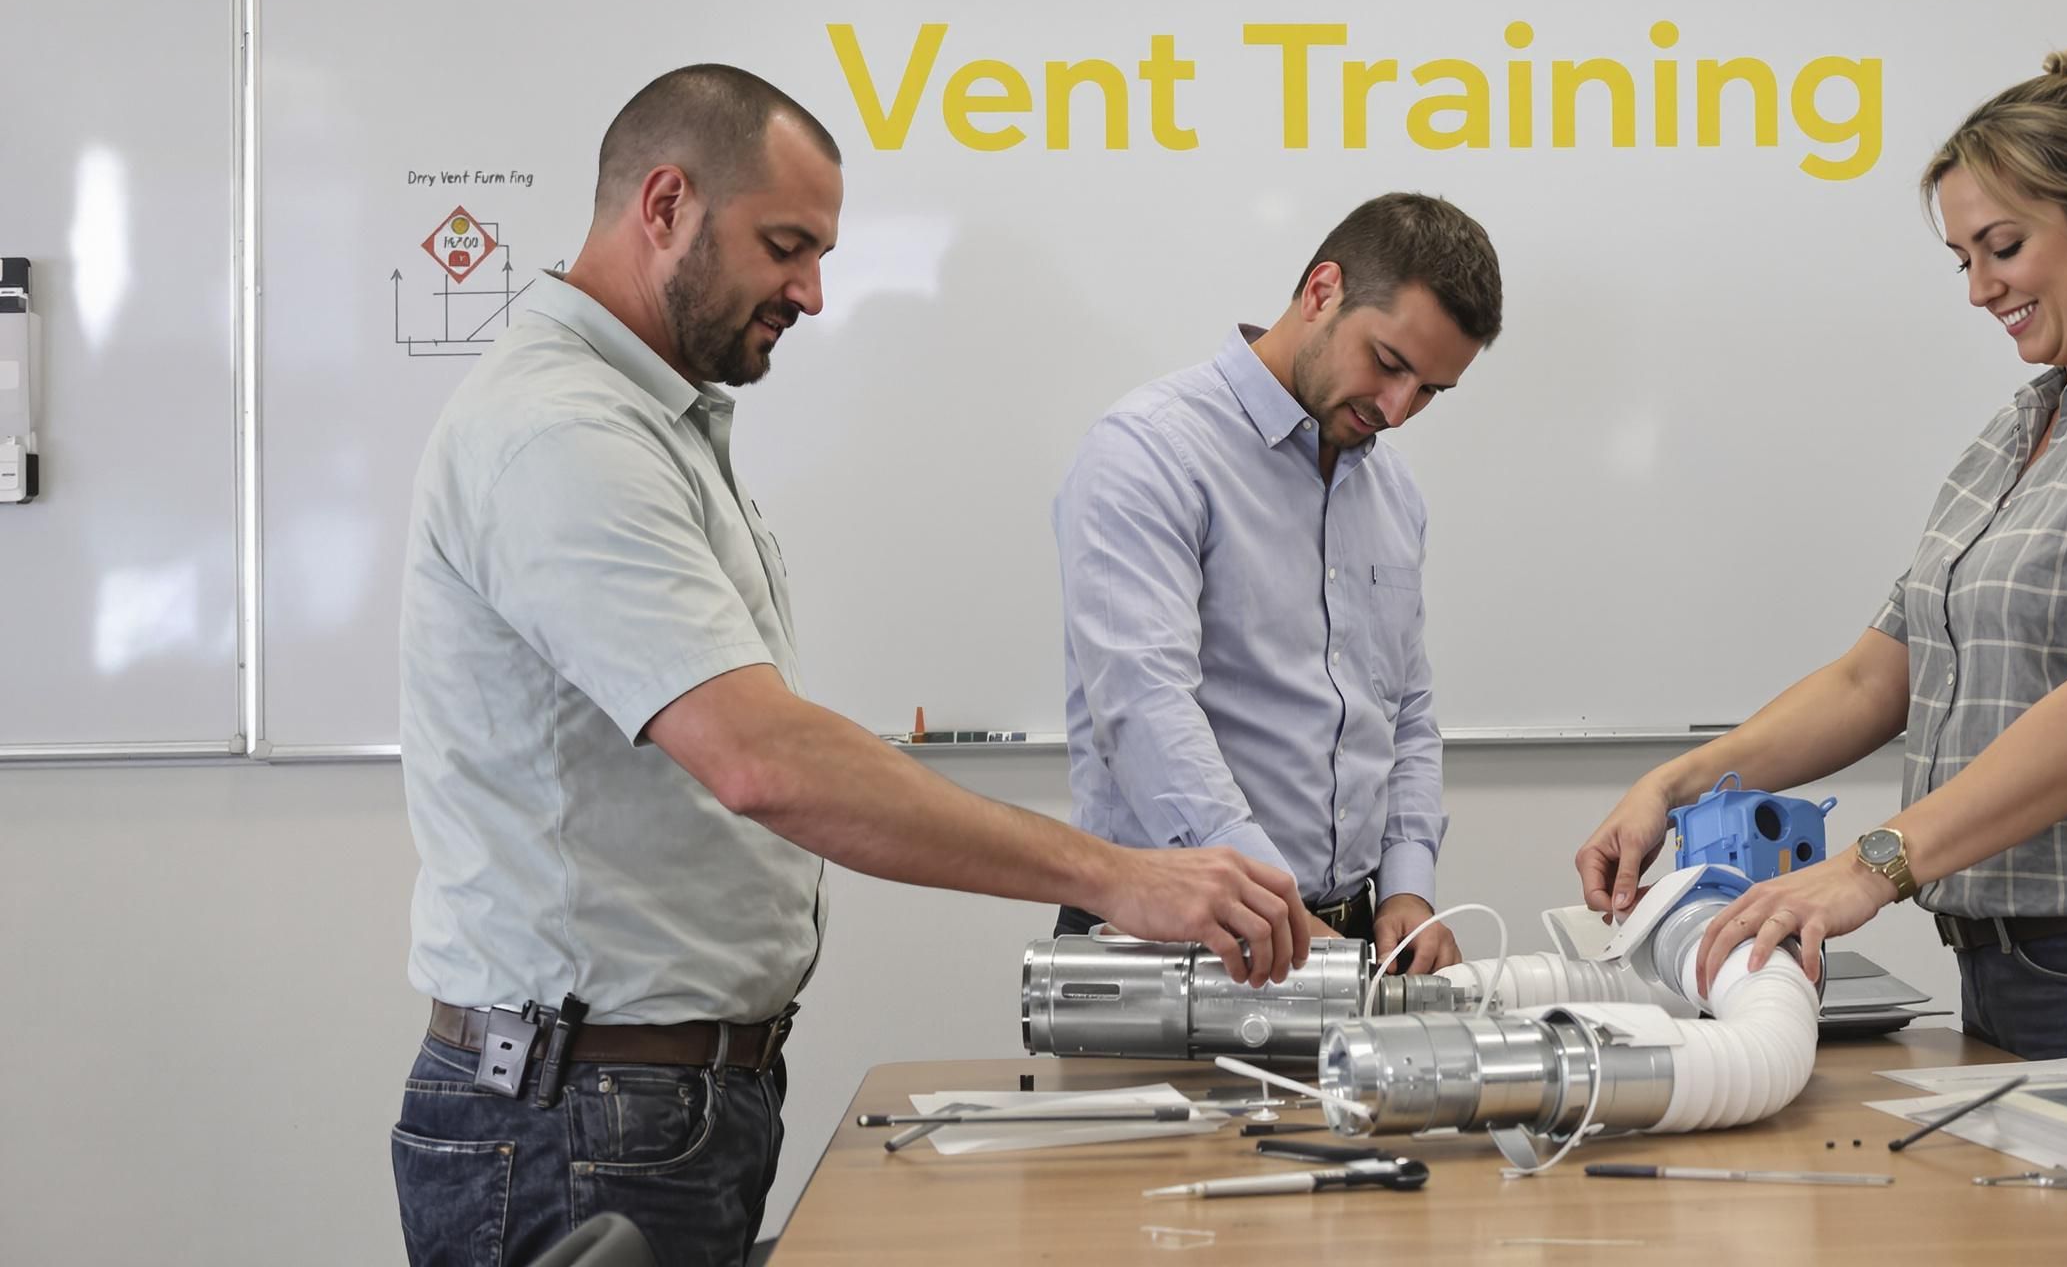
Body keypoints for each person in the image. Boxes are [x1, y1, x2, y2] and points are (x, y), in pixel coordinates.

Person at [390, 65, 1314, 1267]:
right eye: (786, 246)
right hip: (582, 1116)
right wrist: (1119, 878)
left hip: (657, 1100)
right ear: (664, 203)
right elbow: (760, 758)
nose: (814, 294)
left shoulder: (649, 423)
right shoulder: (564, 436)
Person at [1574, 44, 2067, 1066]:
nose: (1978, 288)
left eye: (2001, 246)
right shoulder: (2026, 427)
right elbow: (1875, 674)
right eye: (1961, 258)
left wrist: (1870, 866)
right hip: (2019, 969)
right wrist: (1676, 785)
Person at [1051, 193, 1504, 974]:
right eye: (1390, 363)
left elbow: (1405, 711)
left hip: (1347, 932)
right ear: (1321, 291)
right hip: (1173, 939)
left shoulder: (1392, 493)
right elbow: (1146, 705)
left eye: (1430, 390)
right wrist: (1275, 908)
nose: (1398, 409)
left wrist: (1408, 888)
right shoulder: (1152, 451)